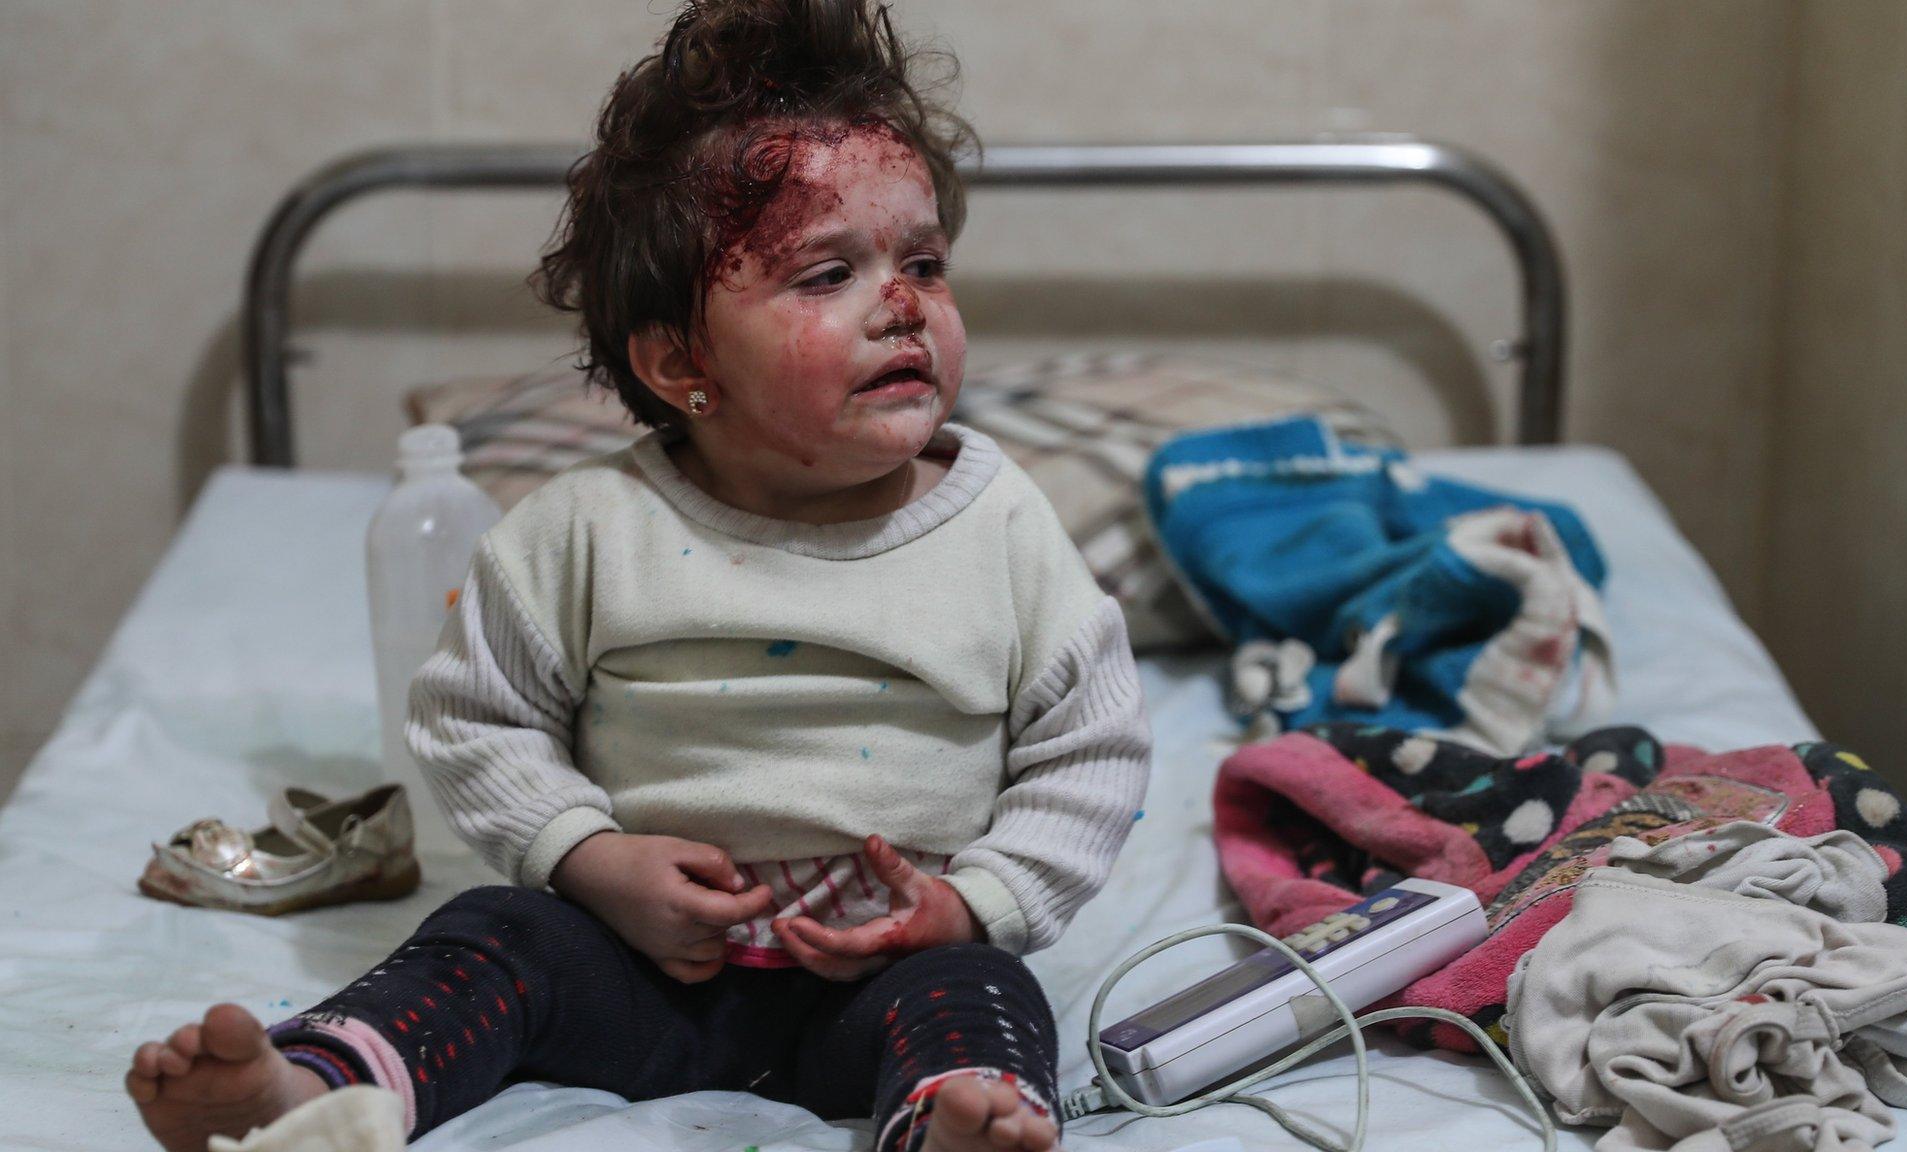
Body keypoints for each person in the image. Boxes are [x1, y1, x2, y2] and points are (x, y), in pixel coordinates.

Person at [124, 3, 1150, 1149]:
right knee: (490, 933)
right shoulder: (582, 533)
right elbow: (474, 721)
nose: (903, 303)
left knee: (990, 996)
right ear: (681, 362)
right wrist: (589, 859)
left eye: (922, 262)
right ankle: (308, 1094)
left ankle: (950, 1124)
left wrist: (973, 904)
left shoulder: (1000, 526)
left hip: (880, 980)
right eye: (826, 274)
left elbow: (1090, 745)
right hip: (639, 971)